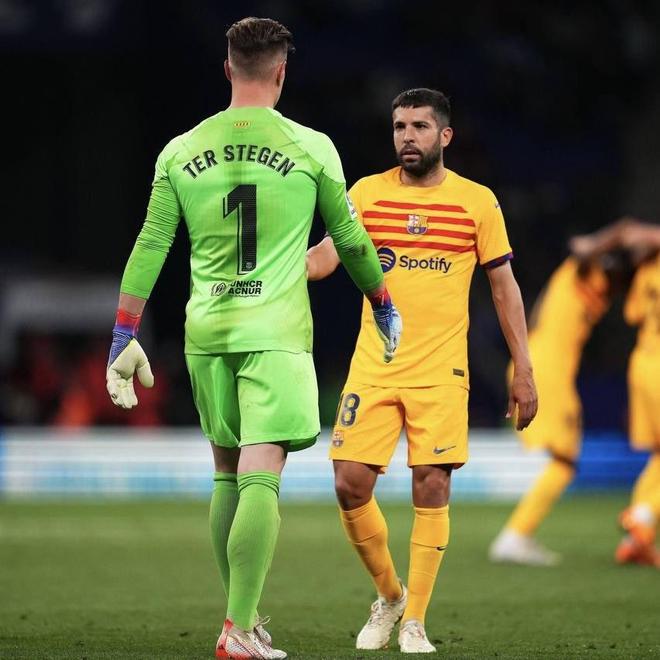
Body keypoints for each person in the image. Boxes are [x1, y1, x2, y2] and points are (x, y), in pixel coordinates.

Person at [105, 17, 401, 660]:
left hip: (206, 330)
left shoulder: (180, 150)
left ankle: (240, 617)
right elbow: (350, 240)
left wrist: (124, 330)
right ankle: (238, 631)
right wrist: (381, 299)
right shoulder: (312, 147)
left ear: (228, 69)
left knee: (225, 474)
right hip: (274, 332)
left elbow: (152, 243)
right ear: (282, 73)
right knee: (261, 476)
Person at [306, 88, 537, 654]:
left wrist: (524, 369)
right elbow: (325, 258)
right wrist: (272, 264)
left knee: (432, 484)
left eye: (419, 126)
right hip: (375, 366)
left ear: (445, 136)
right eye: (399, 127)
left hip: (440, 371)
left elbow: (503, 288)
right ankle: (389, 595)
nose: (407, 136)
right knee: (348, 483)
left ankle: (415, 620)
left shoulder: (477, 202)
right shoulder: (367, 193)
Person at [489, 239, 633, 566]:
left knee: (565, 461)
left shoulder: (597, 291)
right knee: (565, 461)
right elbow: (582, 250)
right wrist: (618, 231)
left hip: (551, 370)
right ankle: (514, 537)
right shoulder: (581, 271)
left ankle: (517, 535)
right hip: (545, 370)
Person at [570, 220, 660, 566]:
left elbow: (633, 313)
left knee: (657, 455)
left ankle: (635, 540)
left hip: (643, 361)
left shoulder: (647, 271)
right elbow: (628, 230)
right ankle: (642, 517)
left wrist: (593, 243)